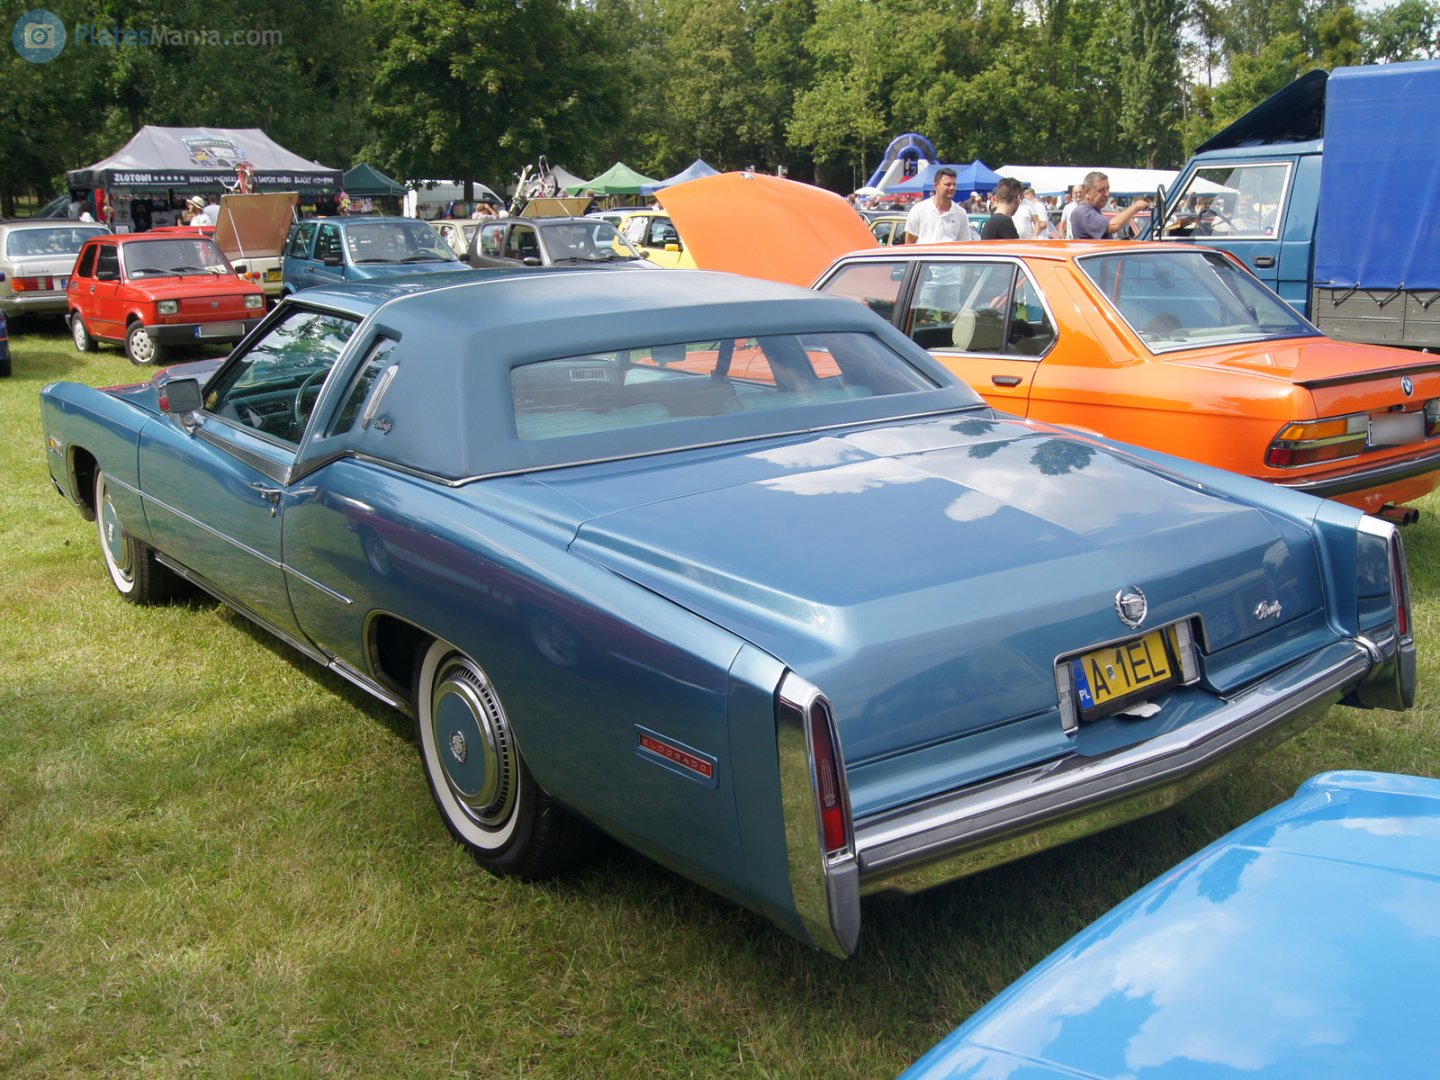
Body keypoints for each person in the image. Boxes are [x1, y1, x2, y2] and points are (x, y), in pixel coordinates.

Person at [1069, 172, 1150, 239]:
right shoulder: (1083, 212)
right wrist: (1136, 207)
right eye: (1101, 190)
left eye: (1108, 189)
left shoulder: (1093, 210)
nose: (1107, 194)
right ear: (1086, 192)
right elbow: (1113, 225)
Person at [904, 167, 974, 244]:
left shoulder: (961, 213)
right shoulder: (919, 210)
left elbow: (964, 245)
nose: (952, 188)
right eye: (948, 184)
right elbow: (909, 243)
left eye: (954, 184)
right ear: (936, 185)